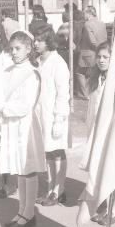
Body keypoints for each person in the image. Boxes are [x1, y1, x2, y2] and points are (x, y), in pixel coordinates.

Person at [0, 30, 46, 227]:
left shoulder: (31, 73)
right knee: (19, 168)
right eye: (12, 49)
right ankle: (21, 211)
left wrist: (2, 109)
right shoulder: (8, 71)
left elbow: (26, 105)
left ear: (28, 48)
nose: (14, 52)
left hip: (25, 126)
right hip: (11, 124)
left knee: (28, 169)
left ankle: (29, 213)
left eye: (18, 48)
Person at [80, 42, 115, 225]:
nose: (101, 60)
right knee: (103, 166)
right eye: (99, 56)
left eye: (105, 57)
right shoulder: (96, 78)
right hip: (98, 130)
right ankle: (106, 204)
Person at [34, 25, 70, 206]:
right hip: (41, 115)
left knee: (57, 151)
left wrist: (59, 119)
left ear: (49, 42)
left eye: (39, 40)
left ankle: (59, 190)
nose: (35, 43)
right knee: (47, 152)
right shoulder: (39, 61)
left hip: (55, 116)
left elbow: (63, 94)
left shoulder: (58, 64)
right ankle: (50, 188)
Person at [0, 22, 13, 199]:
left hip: (5, 106)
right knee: (0, 146)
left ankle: (9, 185)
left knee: (6, 146)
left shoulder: (5, 57)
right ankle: (5, 182)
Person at [75, 6, 107, 99]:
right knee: (93, 73)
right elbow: (104, 38)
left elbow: (91, 40)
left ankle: (85, 94)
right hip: (99, 51)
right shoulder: (102, 23)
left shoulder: (87, 24)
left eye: (84, 13)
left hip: (88, 53)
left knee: (79, 72)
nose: (84, 15)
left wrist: (97, 49)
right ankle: (92, 92)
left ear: (89, 14)